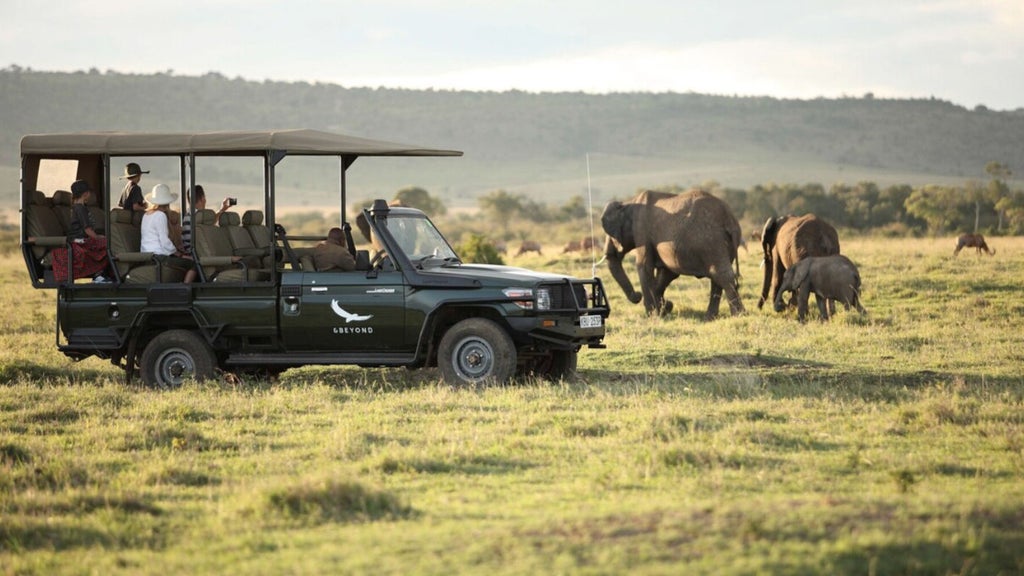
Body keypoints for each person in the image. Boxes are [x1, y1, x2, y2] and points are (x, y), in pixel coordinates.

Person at [55, 179, 113, 282]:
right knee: (107, 244)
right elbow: (87, 230)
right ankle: (98, 275)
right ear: (86, 194)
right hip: (79, 240)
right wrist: (98, 237)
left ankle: (100, 274)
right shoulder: (80, 209)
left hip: (80, 238)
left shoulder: (78, 207)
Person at [141, 183, 197, 283]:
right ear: (168, 203)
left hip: (147, 257)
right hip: (159, 258)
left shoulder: (146, 215)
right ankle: (185, 288)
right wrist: (179, 254)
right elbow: (165, 242)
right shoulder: (160, 215)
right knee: (194, 263)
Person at [182, 185, 232, 252]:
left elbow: (211, 221)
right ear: (203, 199)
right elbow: (211, 221)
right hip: (196, 253)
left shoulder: (190, 215)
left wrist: (222, 209)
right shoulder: (197, 216)